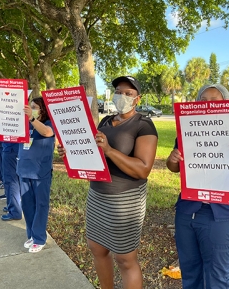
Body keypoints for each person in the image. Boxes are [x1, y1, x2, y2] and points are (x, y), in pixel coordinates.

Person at [58, 76, 158, 289]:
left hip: (125, 201)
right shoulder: (105, 122)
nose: (122, 96)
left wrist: (110, 151)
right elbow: (93, 154)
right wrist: (71, 151)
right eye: (119, 92)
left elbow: (143, 169)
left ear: (137, 99)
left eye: (128, 93)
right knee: (97, 249)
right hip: (97, 196)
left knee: (125, 259)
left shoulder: (143, 125)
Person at [166, 84, 229, 289]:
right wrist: (173, 159)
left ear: (226, 104)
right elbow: (173, 167)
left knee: (217, 278)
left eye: (215, 101)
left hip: (223, 215)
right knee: (190, 272)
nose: (209, 106)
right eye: (203, 101)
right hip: (187, 212)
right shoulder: (187, 128)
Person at [17, 97, 55, 253]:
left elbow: (47, 133)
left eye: (34, 107)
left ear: (43, 109)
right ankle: (32, 235)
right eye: (30, 106)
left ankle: (39, 238)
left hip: (40, 171)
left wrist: (31, 118)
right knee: (27, 204)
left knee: (41, 205)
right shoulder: (24, 124)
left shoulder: (48, 124)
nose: (30, 108)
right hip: (24, 169)